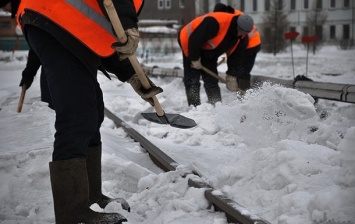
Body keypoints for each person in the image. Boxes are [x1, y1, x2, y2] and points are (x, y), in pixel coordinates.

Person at [1, 0, 163, 223]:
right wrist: (127, 22)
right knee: (76, 115)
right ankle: (72, 211)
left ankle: (89, 195)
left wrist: (132, 75)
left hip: (62, 26)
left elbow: (96, 34)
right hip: (51, 19)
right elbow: (100, 24)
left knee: (93, 110)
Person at [178, 9, 253, 106]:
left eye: (245, 32)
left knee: (211, 78)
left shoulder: (242, 38)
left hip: (209, 50)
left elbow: (236, 57)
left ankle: (216, 105)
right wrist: (194, 58)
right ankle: (194, 107)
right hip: (189, 42)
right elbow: (195, 39)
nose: (242, 34)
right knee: (192, 78)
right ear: (236, 25)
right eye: (241, 31)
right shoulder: (215, 23)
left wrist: (232, 75)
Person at [213, 3, 261, 93]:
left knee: (243, 71)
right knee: (239, 70)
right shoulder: (232, 15)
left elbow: (235, 39)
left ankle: (244, 93)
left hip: (251, 45)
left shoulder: (234, 18)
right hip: (245, 44)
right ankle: (240, 91)